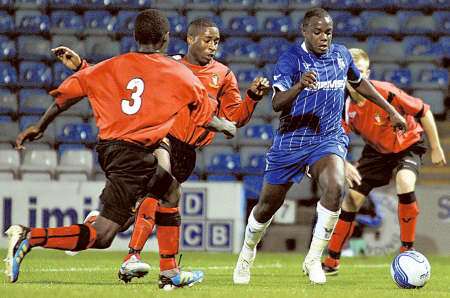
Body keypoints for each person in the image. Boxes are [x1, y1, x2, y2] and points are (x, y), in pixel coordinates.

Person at [5, 9, 236, 289]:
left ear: (135, 36)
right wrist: (225, 126)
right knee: (102, 235)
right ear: (166, 38)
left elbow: (68, 94)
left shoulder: (112, 65)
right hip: (133, 155)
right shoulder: (178, 72)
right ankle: (29, 236)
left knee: (170, 189)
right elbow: (204, 116)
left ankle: (170, 272)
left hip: (111, 150)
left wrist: (40, 126)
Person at [51, 18, 270, 287]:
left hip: (188, 151)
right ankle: (137, 260)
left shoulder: (223, 75)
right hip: (161, 140)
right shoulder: (170, 64)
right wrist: (84, 67)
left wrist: (252, 98)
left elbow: (233, 118)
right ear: (190, 39)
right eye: (207, 40)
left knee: (132, 213)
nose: (213, 46)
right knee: (155, 197)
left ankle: (94, 227)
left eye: (216, 41)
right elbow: (120, 76)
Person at [232, 7, 408, 285]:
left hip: (327, 138)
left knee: (336, 186)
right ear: (304, 32)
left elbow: (360, 84)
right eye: (317, 32)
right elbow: (277, 104)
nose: (323, 37)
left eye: (328, 32)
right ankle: (247, 253)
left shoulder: (341, 55)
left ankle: (314, 259)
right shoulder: (291, 60)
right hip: (291, 141)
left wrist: (391, 111)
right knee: (267, 206)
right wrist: (300, 86)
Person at [321, 48, 447, 275]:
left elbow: (424, 111)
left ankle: (407, 249)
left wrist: (436, 147)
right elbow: (335, 138)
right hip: (377, 151)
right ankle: (332, 261)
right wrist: (344, 162)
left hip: (407, 144)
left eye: (357, 71)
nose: (352, 76)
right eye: (347, 72)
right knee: (351, 199)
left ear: (367, 73)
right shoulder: (343, 105)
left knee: (405, 184)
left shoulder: (385, 92)